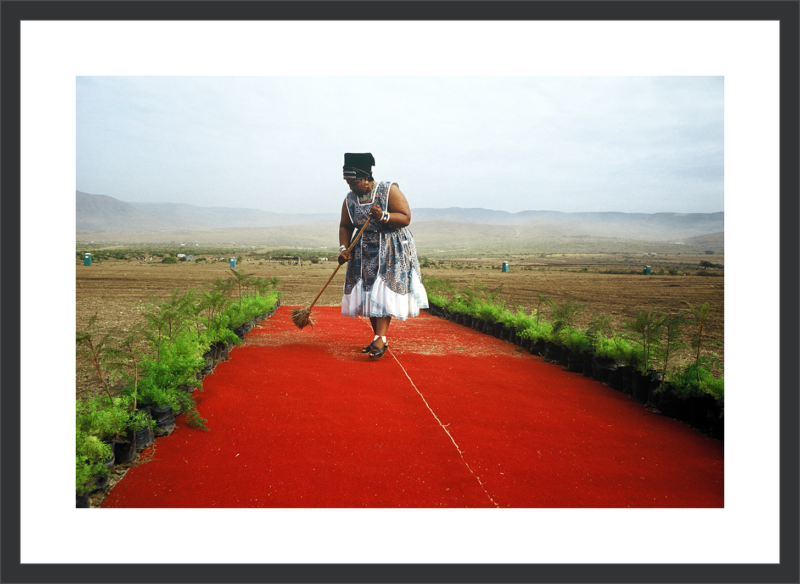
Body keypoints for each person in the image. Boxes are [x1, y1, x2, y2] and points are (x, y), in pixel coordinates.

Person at [338, 153, 428, 359]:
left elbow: (405, 218)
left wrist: (383, 216)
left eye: (353, 182)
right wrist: (344, 248)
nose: (350, 187)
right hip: (363, 251)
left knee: (384, 290)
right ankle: (379, 337)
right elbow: (345, 225)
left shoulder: (389, 191)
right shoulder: (350, 199)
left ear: (366, 179)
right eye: (348, 183)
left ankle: (381, 338)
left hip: (391, 248)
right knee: (368, 293)